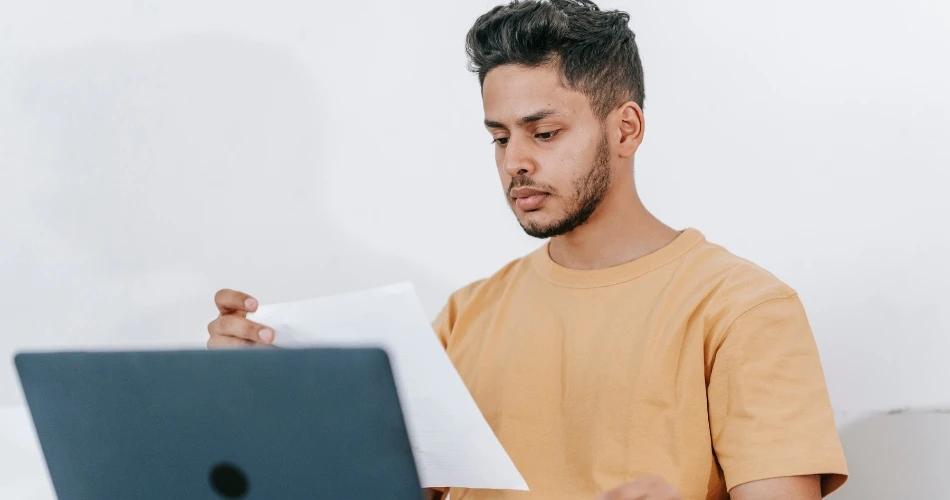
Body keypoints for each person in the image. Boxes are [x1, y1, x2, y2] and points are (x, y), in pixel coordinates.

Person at [207, 1, 849, 498]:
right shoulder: (467, 316)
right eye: (499, 137)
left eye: (544, 133)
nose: (515, 161)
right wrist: (258, 399)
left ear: (626, 129)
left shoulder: (743, 310)